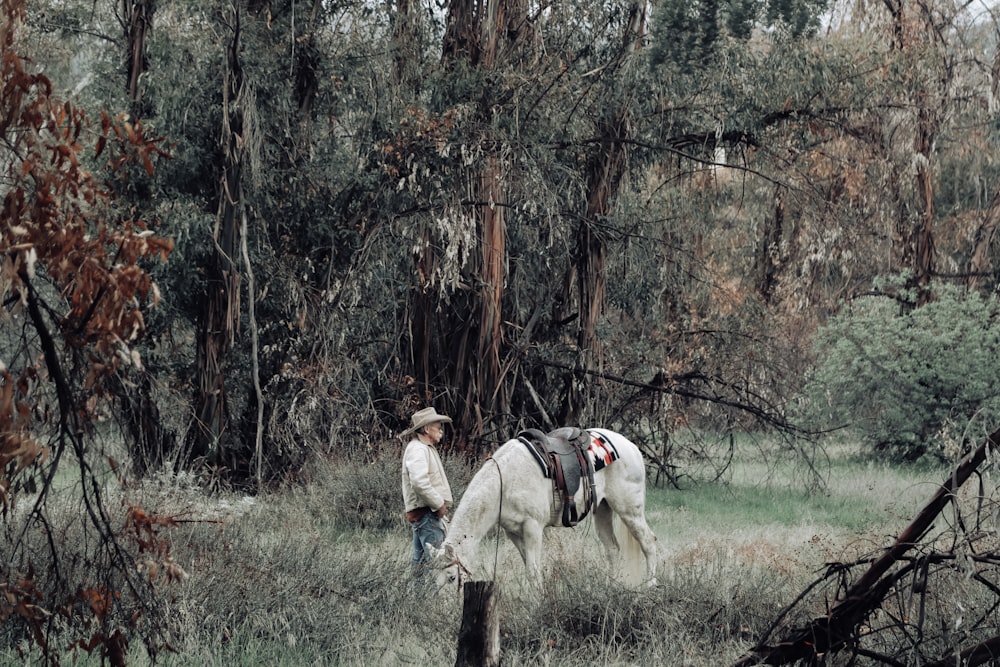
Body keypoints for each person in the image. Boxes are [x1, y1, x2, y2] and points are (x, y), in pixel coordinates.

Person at [400, 406, 454, 582]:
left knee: (419, 567)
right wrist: (438, 504)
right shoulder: (418, 449)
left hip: (425, 516)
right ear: (426, 428)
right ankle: (435, 606)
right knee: (436, 567)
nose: (440, 428)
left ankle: (416, 606)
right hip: (427, 516)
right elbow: (419, 482)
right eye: (437, 424)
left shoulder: (424, 448)